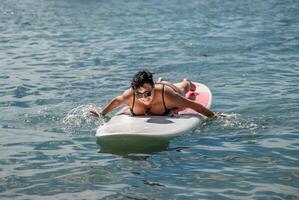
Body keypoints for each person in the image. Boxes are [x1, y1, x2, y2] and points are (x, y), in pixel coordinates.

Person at [90, 70, 215, 117]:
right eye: (139, 94)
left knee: (183, 89)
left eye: (147, 94)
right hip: (156, 87)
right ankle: (160, 81)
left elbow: (195, 106)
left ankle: (186, 81)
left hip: (166, 89)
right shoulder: (130, 96)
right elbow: (116, 101)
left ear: (153, 88)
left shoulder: (167, 95)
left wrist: (214, 117)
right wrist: (101, 113)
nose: (144, 98)